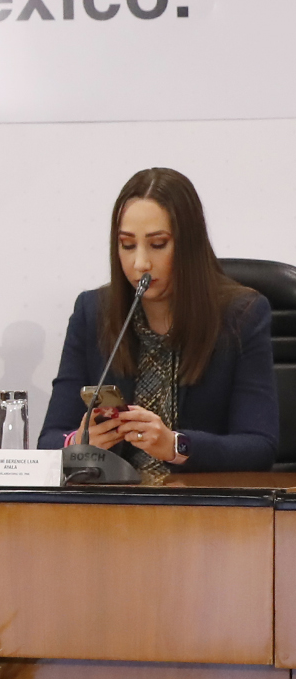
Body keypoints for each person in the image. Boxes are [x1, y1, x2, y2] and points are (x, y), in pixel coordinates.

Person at [38, 168, 276, 477]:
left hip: (198, 500)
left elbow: (259, 447)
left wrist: (176, 445)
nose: (140, 263)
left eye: (158, 244)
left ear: (189, 245)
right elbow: (49, 441)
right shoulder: (93, 312)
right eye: (127, 245)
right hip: (111, 500)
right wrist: (78, 443)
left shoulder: (242, 315)